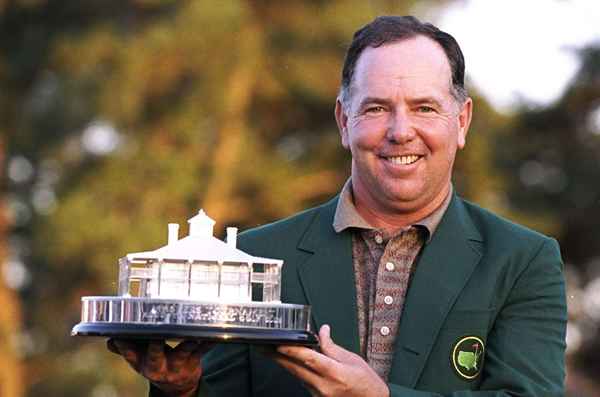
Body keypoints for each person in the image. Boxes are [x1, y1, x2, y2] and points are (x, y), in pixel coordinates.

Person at [108, 15, 567, 396]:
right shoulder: (252, 260)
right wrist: (183, 390)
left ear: (461, 122)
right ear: (344, 122)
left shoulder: (523, 261)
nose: (400, 131)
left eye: (425, 108)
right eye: (376, 109)